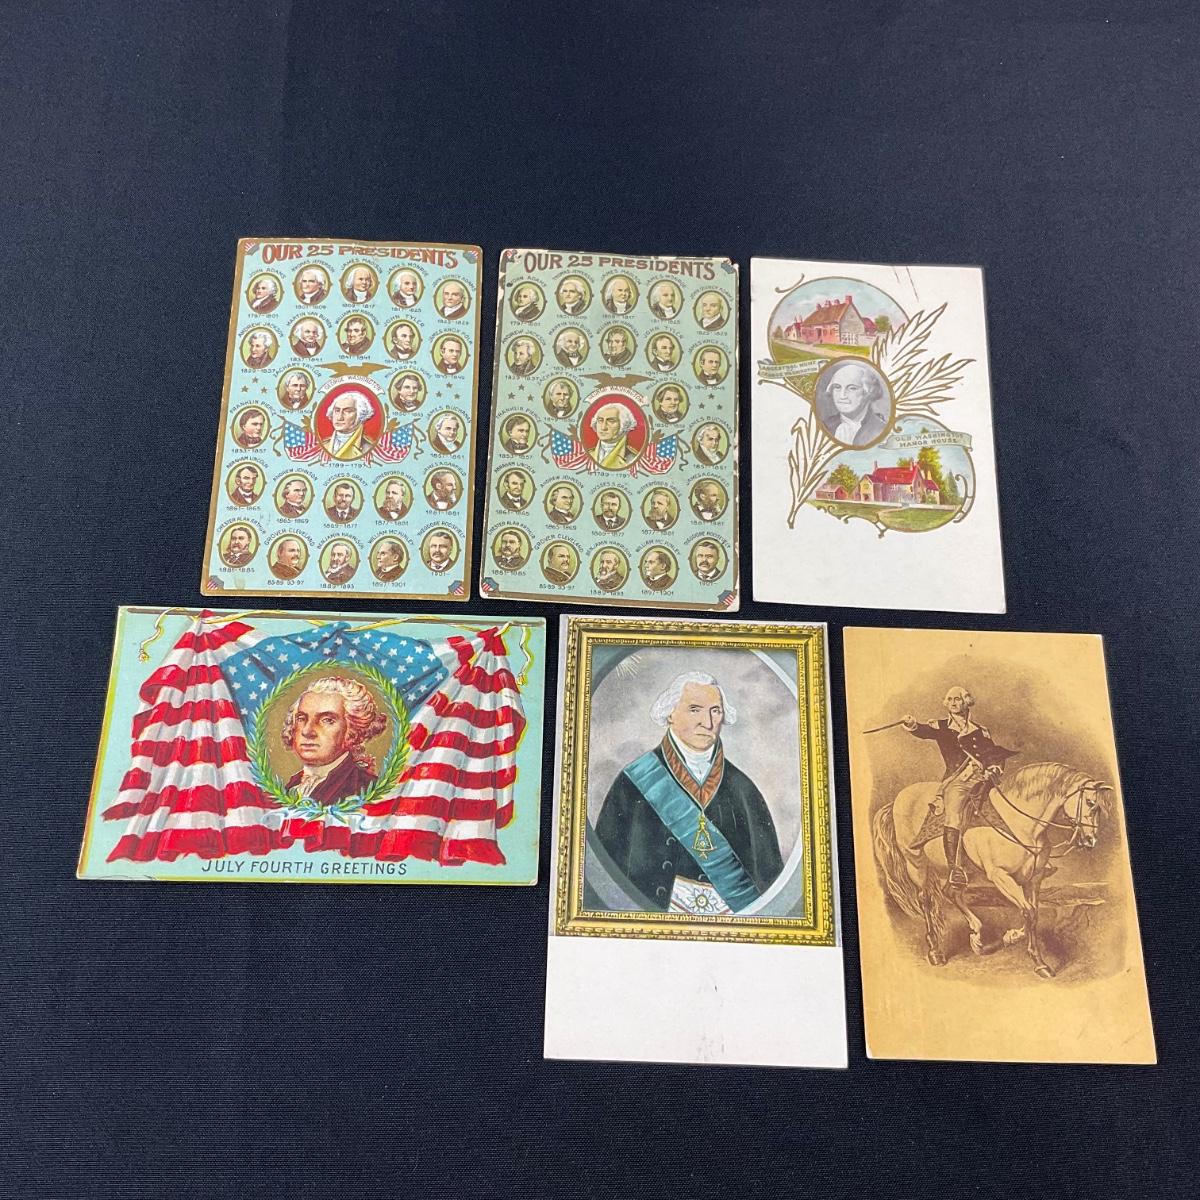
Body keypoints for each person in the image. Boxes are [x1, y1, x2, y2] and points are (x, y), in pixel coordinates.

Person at [594, 672, 783, 914]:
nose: (708, 722)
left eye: (715, 711)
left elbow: (770, 884)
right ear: (670, 714)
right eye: (695, 709)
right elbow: (605, 877)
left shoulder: (744, 790)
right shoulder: (632, 783)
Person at [901, 687, 1017, 888]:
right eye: (950, 699)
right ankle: (955, 869)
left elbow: (993, 754)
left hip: (983, 779)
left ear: (966, 702)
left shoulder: (980, 730)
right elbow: (923, 731)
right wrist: (912, 725)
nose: (953, 703)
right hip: (957, 781)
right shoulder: (941, 727)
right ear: (946, 703)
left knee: (1007, 805)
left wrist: (995, 768)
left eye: (958, 699)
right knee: (953, 815)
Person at [281, 675, 387, 804]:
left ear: (352, 730)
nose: (307, 731)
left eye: (327, 720)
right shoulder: (292, 785)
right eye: (301, 718)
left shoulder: (366, 788)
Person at [817, 360, 888, 446]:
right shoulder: (824, 426)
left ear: (868, 392)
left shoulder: (881, 428)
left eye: (852, 388)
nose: (842, 395)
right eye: (837, 387)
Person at [321, 390, 376, 460]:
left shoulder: (369, 448)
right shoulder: (323, 446)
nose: (339, 418)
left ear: (360, 415)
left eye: (348, 411)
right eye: (337, 410)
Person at [588, 403, 640, 469]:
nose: (603, 427)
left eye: (611, 421)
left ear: (624, 425)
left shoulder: (633, 458)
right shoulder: (588, 454)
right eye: (600, 420)